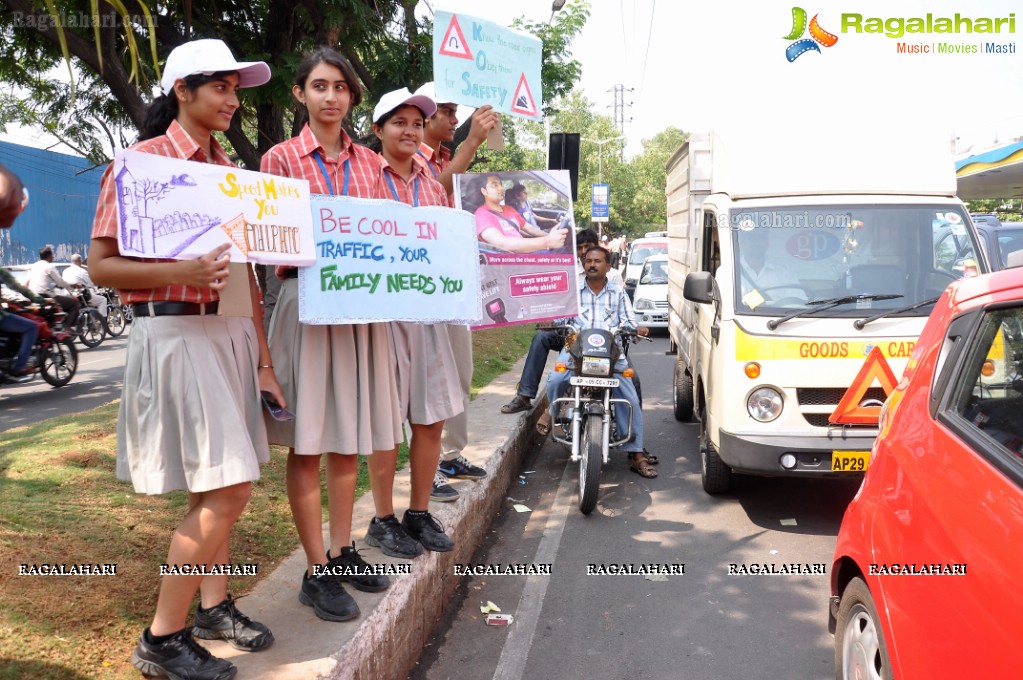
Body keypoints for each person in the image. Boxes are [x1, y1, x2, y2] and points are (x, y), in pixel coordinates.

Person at [88, 39, 279, 680]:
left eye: (236, 89)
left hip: (229, 334)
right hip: (173, 333)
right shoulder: (140, 167)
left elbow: (248, 278)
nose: (232, 100)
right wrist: (184, 269)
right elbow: (100, 266)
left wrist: (262, 359)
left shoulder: (231, 175)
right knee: (229, 486)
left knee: (217, 481)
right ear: (183, 91)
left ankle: (214, 607)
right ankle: (161, 639)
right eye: (220, 87)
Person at [260, 47, 402, 622]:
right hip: (306, 306)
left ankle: (342, 551)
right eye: (319, 85)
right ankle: (316, 569)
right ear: (300, 93)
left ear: (351, 97)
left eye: (341, 87)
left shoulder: (371, 165)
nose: (331, 96)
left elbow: (392, 237)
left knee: (348, 438)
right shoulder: (279, 160)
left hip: (362, 309)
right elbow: (267, 247)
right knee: (309, 441)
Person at [366, 87, 461, 554]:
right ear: (378, 129)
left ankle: (418, 513)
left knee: (431, 418)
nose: (410, 130)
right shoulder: (363, 177)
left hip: (427, 313)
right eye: (399, 121)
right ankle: (382, 518)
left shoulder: (431, 183)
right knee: (384, 422)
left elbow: (447, 247)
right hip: (380, 317)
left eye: (417, 123)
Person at [413, 82, 497, 503]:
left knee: (459, 375)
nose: (452, 118)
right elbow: (432, 190)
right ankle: (425, 474)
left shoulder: (448, 158)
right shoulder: (411, 158)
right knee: (429, 385)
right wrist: (473, 141)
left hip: (452, 288)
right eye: (445, 111)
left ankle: (449, 455)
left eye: (452, 110)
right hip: (423, 291)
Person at [537, 246, 657, 478]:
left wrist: (637, 329)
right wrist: (550, 321)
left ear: (608, 266)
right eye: (588, 260)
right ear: (584, 264)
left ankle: (635, 452)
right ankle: (553, 410)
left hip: (611, 354)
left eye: (597, 261)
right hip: (576, 351)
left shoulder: (618, 292)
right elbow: (561, 317)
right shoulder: (572, 292)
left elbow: (629, 321)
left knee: (629, 396)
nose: (592, 264)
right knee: (556, 379)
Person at [500, 230, 645, 422]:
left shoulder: (615, 282)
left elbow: (625, 316)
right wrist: (548, 318)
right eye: (581, 249)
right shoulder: (566, 272)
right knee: (544, 343)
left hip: (606, 343)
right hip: (572, 336)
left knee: (631, 380)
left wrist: (632, 330)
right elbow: (557, 306)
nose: (586, 255)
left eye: (590, 249)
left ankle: (634, 437)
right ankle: (527, 397)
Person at [474, 174, 567, 253]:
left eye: (501, 184)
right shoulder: (482, 215)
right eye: (494, 185)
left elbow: (530, 228)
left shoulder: (509, 209)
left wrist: (551, 236)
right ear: (484, 191)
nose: (501, 188)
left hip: (527, 251)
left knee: (563, 249)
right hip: (514, 261)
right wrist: (547, 241)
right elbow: (502, 244)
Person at [736, 227, 806, 307]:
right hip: (743, 318)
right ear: (742, 242)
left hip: (780, 318)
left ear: (767, 241)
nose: (757, 243)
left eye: (761, 237)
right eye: (751, 238)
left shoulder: (783, 270)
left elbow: (796, 302)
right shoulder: (729, 270)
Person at [27, 245, 80, 328]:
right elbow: (60, 282)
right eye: (52, 255)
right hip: (44, 296)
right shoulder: (49, 266)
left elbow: (29, 282)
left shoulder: (33, 266)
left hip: (32, 295)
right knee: (75, 304)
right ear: (49, 256)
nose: (53, 257)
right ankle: (68, 328)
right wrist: (72, 287)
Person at [64, 253, 108, 318]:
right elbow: (91, 283)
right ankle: (101, 321)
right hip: (80, 297)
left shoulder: (65, 271)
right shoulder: (81, 271)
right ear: (80, 261)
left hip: (67, 295)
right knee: (103, 300)